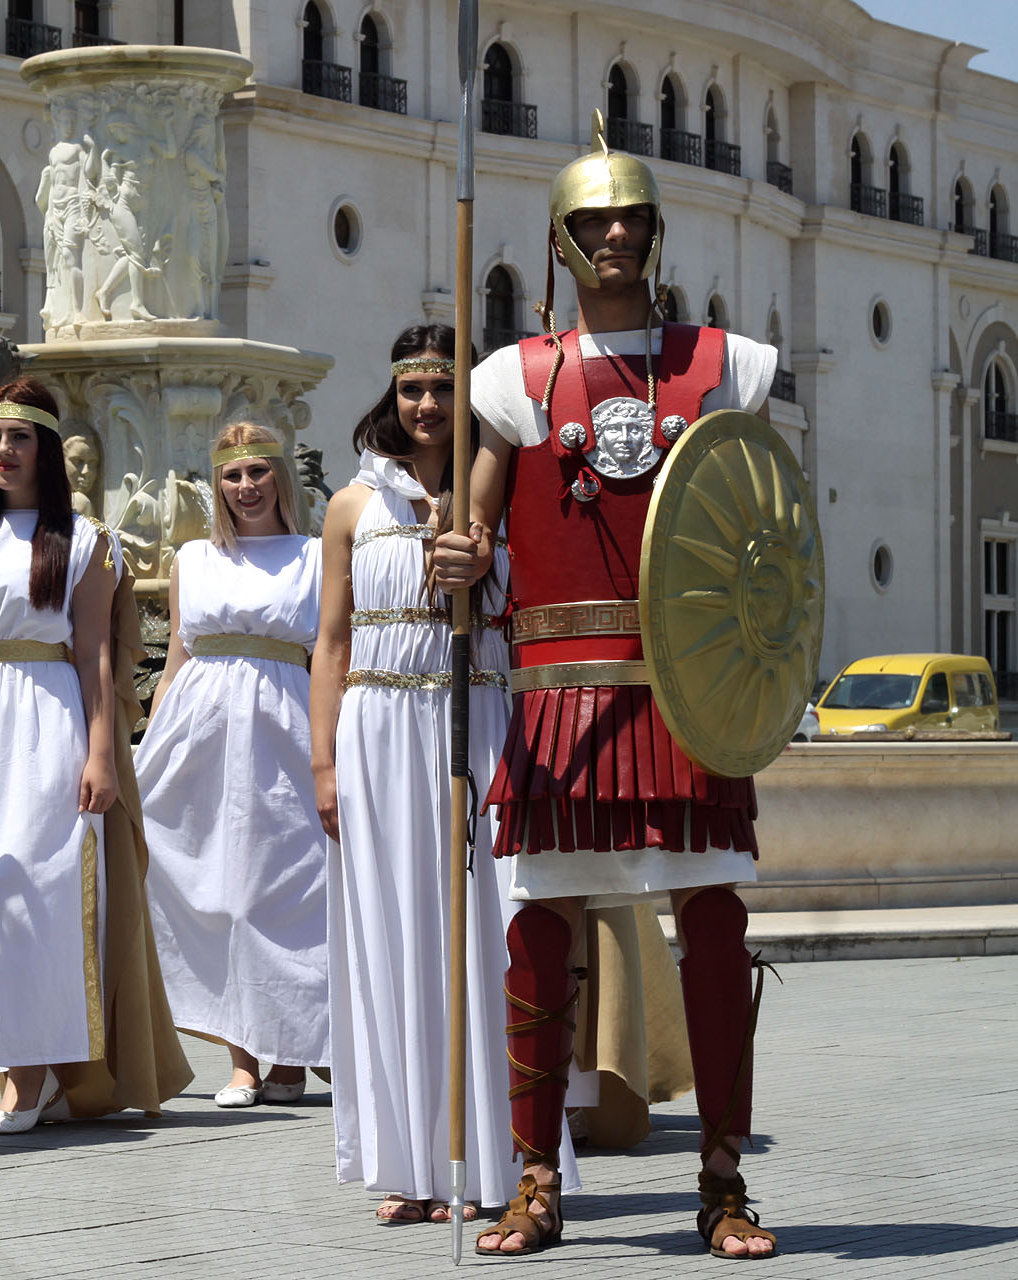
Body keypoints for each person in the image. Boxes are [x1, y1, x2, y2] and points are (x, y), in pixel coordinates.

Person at [432, 116, 780, 1259]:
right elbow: (477, 532)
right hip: (561, 694)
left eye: (629, 216)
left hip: (690, 692)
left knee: (716, 927)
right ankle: (535, 1177)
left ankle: (723, 1178)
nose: (614, 233)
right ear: (561, 241)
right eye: (592, 220)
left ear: (654, 229)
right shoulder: (513, 381)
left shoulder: (723, 366)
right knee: (539, 934)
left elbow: (765, 526)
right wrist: (460, 557)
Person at [311, 325, 581, 1224]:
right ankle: (409, 1162)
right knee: (392, 935)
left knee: (486, 931)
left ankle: (499, 1159)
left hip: (479, 722)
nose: (426, 406)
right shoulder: (352, 504)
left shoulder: (499, 500)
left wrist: (484, 550)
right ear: (391, 397)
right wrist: (321, 762)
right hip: (378, 729)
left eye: (441, 389)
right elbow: (333, 642)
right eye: (411, 389)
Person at [0, 377, 190, 1133]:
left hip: (47, 722)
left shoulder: (84, 542)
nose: (3, 451)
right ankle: (24, 1072)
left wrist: (101, 756)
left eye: (19, 438)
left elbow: (95, 659)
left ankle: (33, 1078)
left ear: (46, 450)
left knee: (39, 897)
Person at [136, 423, 329, 1107]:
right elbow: (176, 661)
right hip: (201, 733)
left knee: (277, 894)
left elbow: (334, 651)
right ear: (216, 486)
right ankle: (245, 1061)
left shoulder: (314, 554)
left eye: (257, 472)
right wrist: (151, 746)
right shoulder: (193, 556)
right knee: (211, 890)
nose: (246, 487)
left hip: (284, 730)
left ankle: (290, 1055)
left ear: (280, 476)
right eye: (231, 476)